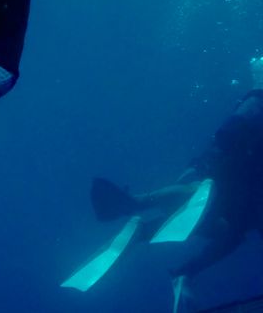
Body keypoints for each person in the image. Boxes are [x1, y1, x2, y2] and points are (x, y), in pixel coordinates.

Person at [89, 58, 263, 294]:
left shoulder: (255, 103)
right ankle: (136, 207)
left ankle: (154, 240)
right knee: (209, 204)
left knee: (229, 230)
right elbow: (229, 132)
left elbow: (228, 133)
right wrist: (209, 162)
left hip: (244, 185)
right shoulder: (257, 102)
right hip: (237, 175)